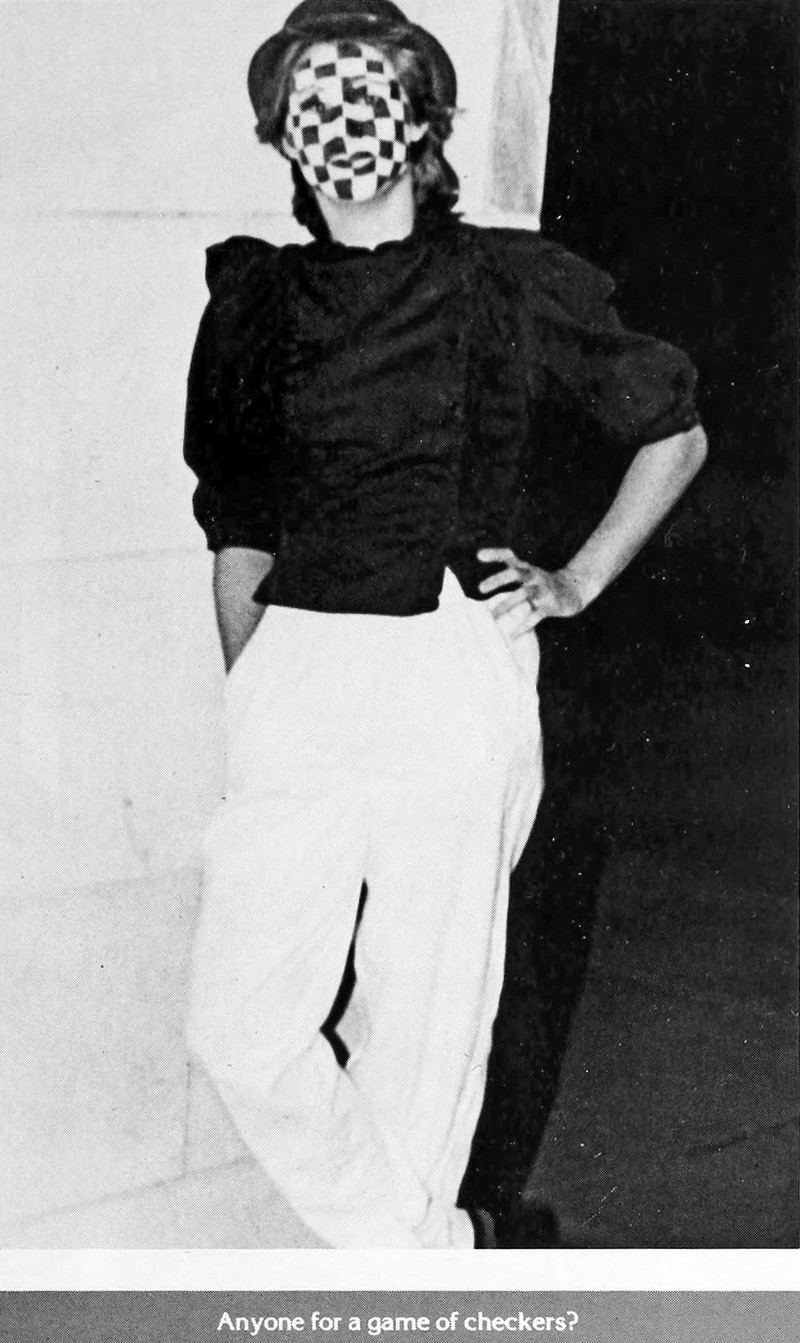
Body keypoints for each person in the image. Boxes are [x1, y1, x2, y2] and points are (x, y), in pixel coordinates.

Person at [183, 0, 707, 1250]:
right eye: (309, 94)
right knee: (240, 1027)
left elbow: (672, 432)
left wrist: (573, 581)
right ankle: (436, 1256)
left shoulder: (506, 283)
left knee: (421, 1044)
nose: (339, 114)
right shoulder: (253, 299)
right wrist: (256, 688)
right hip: (299, 668)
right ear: (282, 134)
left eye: (366, 85)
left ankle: (398, 1288)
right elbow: (238, 529)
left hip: (445, 672)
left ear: (420, 120)